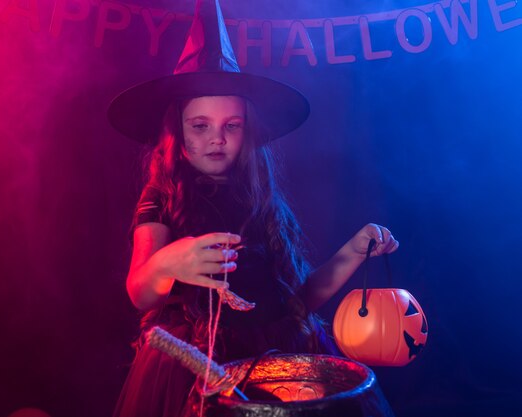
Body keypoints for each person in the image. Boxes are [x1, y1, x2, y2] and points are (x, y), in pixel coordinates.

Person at [108, 1, 398, 416]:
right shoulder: (162, 195)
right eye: (201, 125)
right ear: (179, 131)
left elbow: (299, 301)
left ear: (247, 131)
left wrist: (353, 251)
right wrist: (169, 263)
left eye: (232, 125)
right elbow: (139, 290)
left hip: (274, 358)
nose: (217, 138)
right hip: (200, 367)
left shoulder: (262, 201)